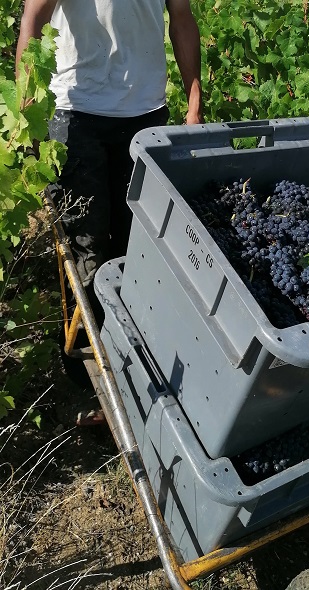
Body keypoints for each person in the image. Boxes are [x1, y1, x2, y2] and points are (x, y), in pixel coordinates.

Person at [16, 0, 204, 419]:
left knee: (141, 247)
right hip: (76, 114)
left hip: (147, 114)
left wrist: (193, 99)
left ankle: (135, 367)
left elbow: (182, 17)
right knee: (87, 249)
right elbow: (34, 18)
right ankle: (92, 381)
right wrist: (27, 106)